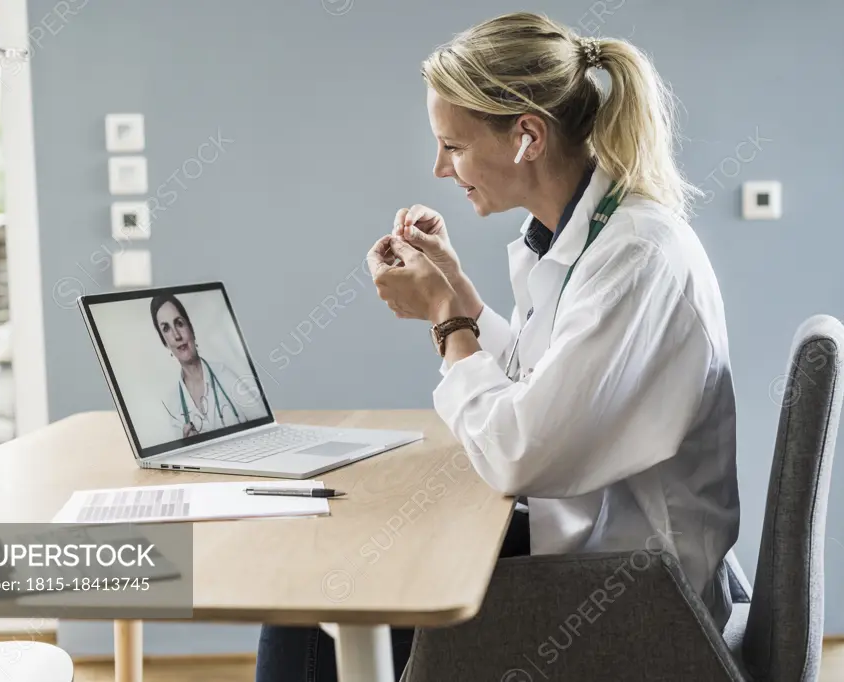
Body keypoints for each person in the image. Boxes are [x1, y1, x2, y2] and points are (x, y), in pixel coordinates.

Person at [256, 11, 739, 681]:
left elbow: (518, 454)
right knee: (331, 575)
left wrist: (447, 323)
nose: (439, 167)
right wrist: (454, 289)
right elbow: (539, 386)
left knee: (322, 587)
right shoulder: (591, 237)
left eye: (452, 146)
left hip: (634, 596)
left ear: (527, 137)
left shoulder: (636, 256)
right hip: (586, 544)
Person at [152, 294, 266, 438]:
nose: (176, 335)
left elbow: (264, 425)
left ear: (191, 328)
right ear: (165, 342)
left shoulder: (224, 374)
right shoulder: (174, 404)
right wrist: (187, 444)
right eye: (166, 329)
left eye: (179, 323)